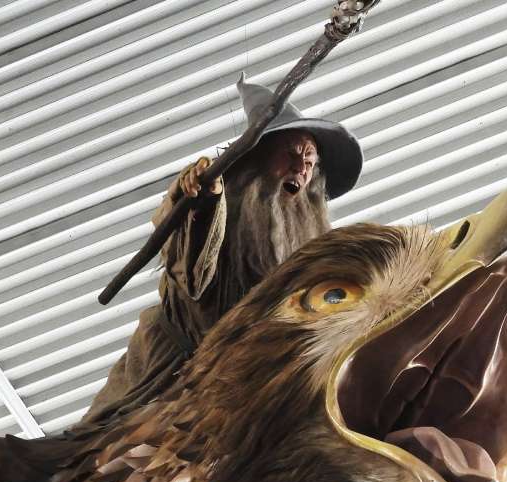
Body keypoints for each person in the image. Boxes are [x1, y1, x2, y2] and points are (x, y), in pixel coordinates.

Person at [79, 76, 363, 425]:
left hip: (243, 386)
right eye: (290, 154)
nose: (300, 169)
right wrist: (204, 198)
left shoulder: (310, 238)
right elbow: (192, 272)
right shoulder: (219, 195)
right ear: (257, 155)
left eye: (309, 161)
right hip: (174, 368)